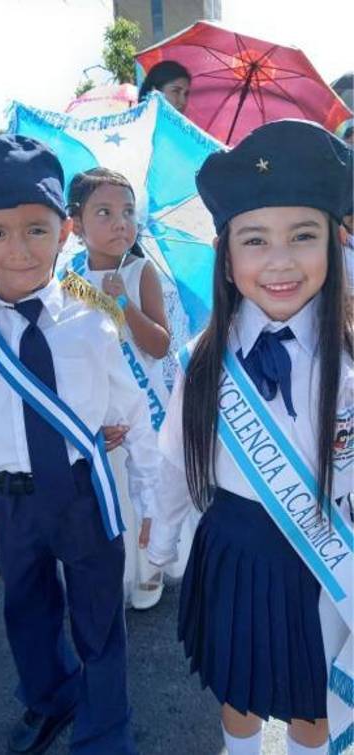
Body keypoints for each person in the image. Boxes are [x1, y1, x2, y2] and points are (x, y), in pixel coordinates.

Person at [148, 119, 354, 755]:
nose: (281, 261)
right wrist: (159, 545)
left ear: (335, 246)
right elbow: (177, 465)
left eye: (303, 236)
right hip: (236, 547)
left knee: (314, 705)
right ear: (228, 259)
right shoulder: (201, 361)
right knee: (237, 693)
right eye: (256, 240)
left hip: (328, 557)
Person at [0, 135, 160, 754]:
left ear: (64, 230)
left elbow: (130, 407)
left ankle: (105, 728)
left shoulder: (93, 312)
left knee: (100, 618)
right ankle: (50, 699)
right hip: (8, 496)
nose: (19, 249)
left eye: (37, 230)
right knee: (27, 612)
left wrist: (150, 496)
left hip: (81, 490)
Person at [65, 168, 175, 610]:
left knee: (149, 476)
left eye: (127, 212)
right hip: (97, 401)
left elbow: (160, 345)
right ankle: (121, 566)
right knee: (110, 487)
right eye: (105, 212)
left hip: (143, 397)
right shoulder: (67, 279)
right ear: (75, 224)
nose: (120, 223)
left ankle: (152, 566)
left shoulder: (140, 271)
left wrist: (122, 303)